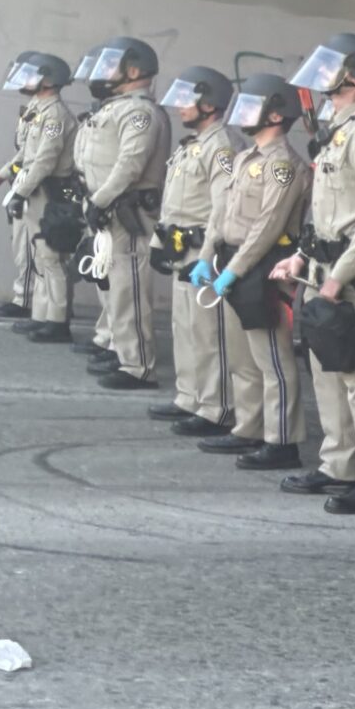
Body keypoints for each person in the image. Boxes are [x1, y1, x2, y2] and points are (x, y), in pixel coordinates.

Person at [274, 33, 355, 514]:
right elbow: (326, 216)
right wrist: (302, 261)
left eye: (335, 69)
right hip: (324, 272)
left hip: (354, 279)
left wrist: (336, 278)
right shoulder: (335, 135)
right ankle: (339, 464)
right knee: (327, 372)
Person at [191, 73, 313, 468]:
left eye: (253, 106)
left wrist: (235, 271)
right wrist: (207, 256)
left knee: (273, 358)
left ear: (276, 114)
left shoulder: (283, 166)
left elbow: (268, 225)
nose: (242, 114)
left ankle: (282, 441)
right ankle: (249, 427)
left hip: (262, 266)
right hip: (232, 259)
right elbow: (220, 213)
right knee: (245, 356)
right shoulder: (245, 157)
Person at [69, 37, 170, 393]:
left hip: (127, 213)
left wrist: (101, 200)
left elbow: (129, 165)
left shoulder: (139, 111)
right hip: (105, 208)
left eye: (112, 65)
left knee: (129, 289)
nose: (103, 73)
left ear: (133, 70)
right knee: (110, 284)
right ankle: (117, 345)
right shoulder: (116, 106)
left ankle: (138, 366)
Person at [151, 67, 247, 435]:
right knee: (185, 328)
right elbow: (174, 203)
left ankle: (216, 407)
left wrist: (208, 252)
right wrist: (159, 243)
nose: (179, 108)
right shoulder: (193, 144)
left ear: (209, 103)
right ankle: (189, 397)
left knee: (210, 333)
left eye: (187, 101)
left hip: (204, 249)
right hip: (180, 247)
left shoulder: (222, 146)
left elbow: (222, 206)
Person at [0, 52, 77, 343]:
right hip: (34, 188)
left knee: (50, 257)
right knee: (40, 257)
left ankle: (56, 320)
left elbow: (45, 160)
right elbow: (27, 153)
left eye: (33, 75)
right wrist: (7, 174)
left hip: (48, 192)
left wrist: (20, 191)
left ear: (48, 79)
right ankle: (42, 316)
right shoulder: (39, 109)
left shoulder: (54, 114)